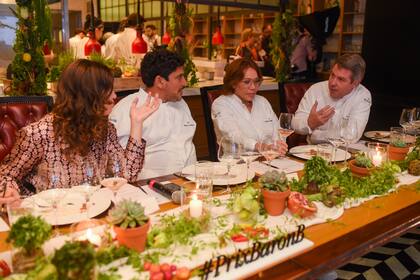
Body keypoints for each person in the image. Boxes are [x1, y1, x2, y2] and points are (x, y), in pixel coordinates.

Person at [0, 59, 160, 197]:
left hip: (93, 211)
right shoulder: (38, 134)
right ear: (88, 95)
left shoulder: (105, 129)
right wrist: (8, 191)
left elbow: (127, 174)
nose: (114, 96)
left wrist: (137, 123)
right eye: (109, 90)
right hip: (51, 216)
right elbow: (5, 176)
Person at [110, 49, 196, 179]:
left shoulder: (181, 103)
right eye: (179, 77)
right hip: (151, 189)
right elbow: (120, 167)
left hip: (192, 180)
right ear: (160, 81)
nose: (185, 82)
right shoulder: (126, 109)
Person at [211, 58, 288, 155]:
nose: (253, 87)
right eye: (247, 82)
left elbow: (278, 132)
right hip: (238, 164)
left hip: (270, 160)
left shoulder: (263, 102)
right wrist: (261, 147)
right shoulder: (221, 104)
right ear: (233, 83)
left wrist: (279, 146)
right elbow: (232, 135)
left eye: (256, 81)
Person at [291, 54, 371, 144]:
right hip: (313, 151)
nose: (332, 83)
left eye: (341, 79)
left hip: (345, 152)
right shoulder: (316, 89)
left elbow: (351, 135)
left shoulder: (363, 95)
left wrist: (316, 135)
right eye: (332, 75)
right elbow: (295, 124)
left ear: (355, 84)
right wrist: (310, 123)